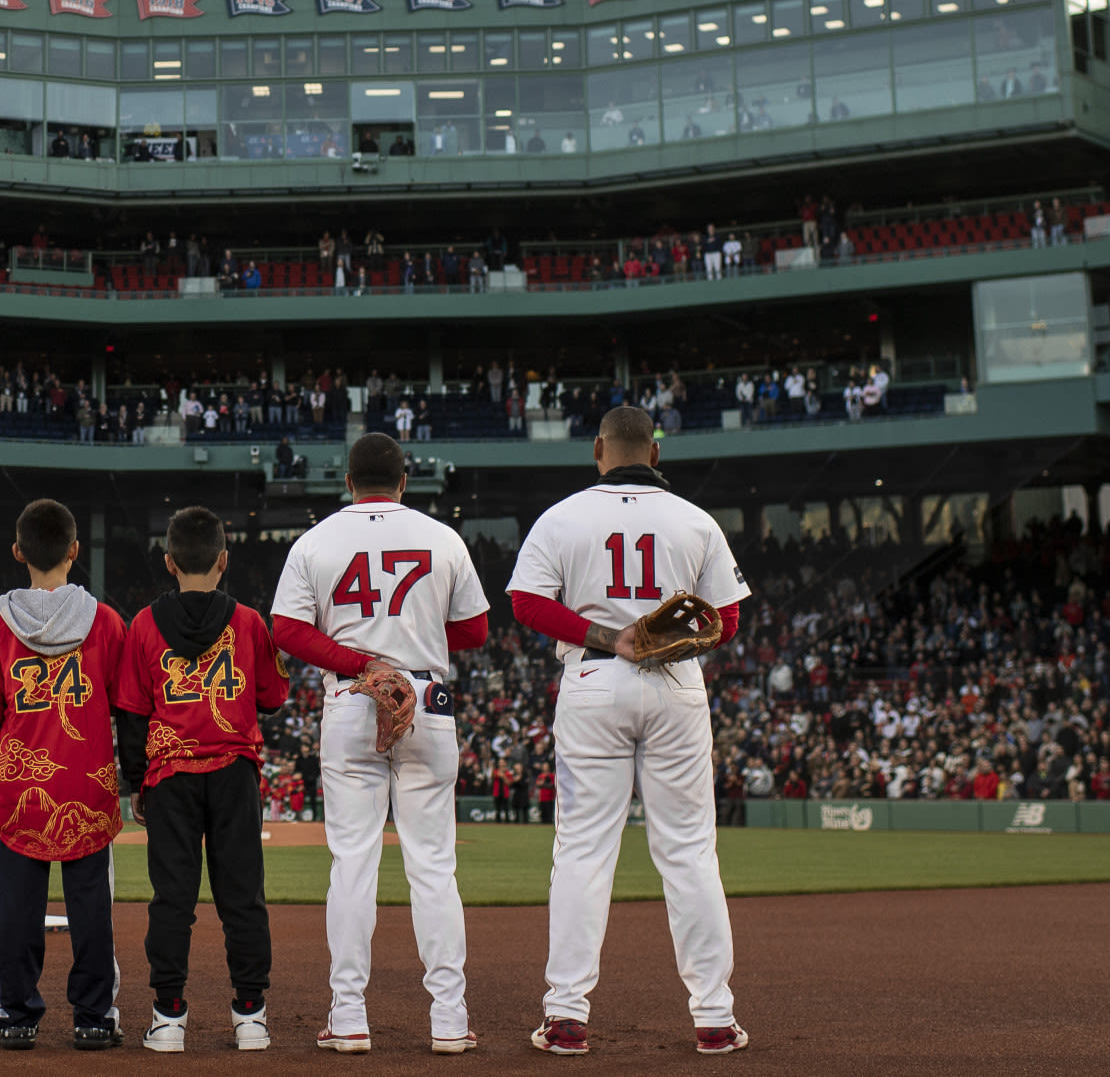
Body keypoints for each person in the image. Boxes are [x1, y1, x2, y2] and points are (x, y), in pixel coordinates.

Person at [505, 405, 752, 1058]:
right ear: (656, 453)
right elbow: (725, 617)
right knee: (690, 850)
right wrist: (666, 639)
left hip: (593, 678)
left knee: (584, 851)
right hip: (673, 683)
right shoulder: (694, 519)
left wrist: (608, 634)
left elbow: (526, 603)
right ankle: (715, 1018)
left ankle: (565, 1015)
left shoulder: (563, 516)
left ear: (598, 450)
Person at [268, 431, 491, 1055]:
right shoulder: (441, 537)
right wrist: (412, 640)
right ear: (403, 481)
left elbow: (286, 629)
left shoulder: (315, 541)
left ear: (347, 481)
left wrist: (362, 663)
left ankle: (348, 1017)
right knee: (433, 868)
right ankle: (449, 1020)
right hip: (426, 703)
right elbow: (473, 629)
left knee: (353, 865)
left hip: (351, 701)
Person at [115, 506, 290, 1054]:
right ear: (223, 561)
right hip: (234, 770)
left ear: (169, 562)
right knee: (243, 897)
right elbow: (273, 699)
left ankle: (168, 1017)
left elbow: (131, 712)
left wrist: (136, 782)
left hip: (169, 775)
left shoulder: (144, 624)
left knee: (172, 899)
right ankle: (250, 1016)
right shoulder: (248, 622)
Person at [0, 499, 128, 1052]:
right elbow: (127, 709)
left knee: (19, 908)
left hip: (22, 787)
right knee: (90, 907)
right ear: (75, 551)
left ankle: (17, 1015)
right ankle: (94, 1015)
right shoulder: (104, 622)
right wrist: (126, 776)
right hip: (87, 783)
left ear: (18, 553)